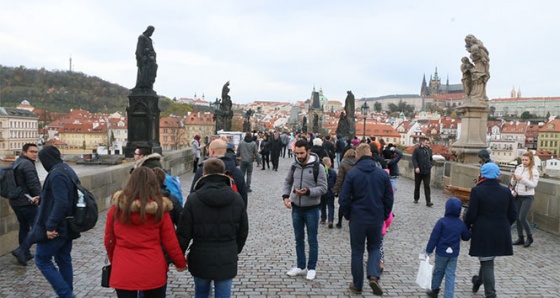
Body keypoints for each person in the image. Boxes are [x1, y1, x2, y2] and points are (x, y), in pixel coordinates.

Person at [104, 167, 186, 298]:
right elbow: (170, 241)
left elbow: (109, 240)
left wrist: (116, 260)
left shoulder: (116, 209)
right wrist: (180, 262)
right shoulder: (159, 211)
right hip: (153, 267)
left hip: (124, 267)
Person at [177, 158, 249, 298]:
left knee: (201, 294)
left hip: (200, 256)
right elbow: (243, 230)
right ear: (224, 173)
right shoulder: (236, 198)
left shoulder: (193, 199)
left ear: (204, 173)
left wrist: (178, 255)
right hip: (227, 255)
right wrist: (235, 249)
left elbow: (183, 232)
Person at [338, 144, 393, 296]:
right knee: (374, 248)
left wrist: (348, 215)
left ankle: (357, 285)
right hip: (376, 217)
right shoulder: (382, 174)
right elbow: (389, 198)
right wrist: (384, 214)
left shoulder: (353, 173)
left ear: (357, 156)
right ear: (370, 154)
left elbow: (344, 199)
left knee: (357, 251)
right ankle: (374, 275)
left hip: (358, 218)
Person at [28, 146, 81, 297]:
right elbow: (64, 197)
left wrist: (50, 226)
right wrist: (43, 199)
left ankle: (66, 295)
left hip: (58, 227)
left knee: (41, 259)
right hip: (68, 225)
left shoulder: (57, 174)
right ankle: (67, 293)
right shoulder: (67, 169)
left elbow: (61, 203)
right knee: (63, 259)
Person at [465, 163, 517, 298]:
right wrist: (504, 225)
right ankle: (478, 280)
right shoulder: (506, 191)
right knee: (487, 259)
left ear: (482, 174)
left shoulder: (477, 190)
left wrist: (466, 227)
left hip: (483, 231)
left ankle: (491, 294)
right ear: (498, 175)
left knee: (487, 262)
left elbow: (471, 214)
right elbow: (513, 214)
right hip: (501, 231)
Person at [282, 139, 328, 281]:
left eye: (302, 153)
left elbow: (323, 187)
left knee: (312, 239)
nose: (299, 156)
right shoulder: (294, 165)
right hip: (296, 207)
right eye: (297, 153)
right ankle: (301, 265)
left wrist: (308, 192)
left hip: (312, 209)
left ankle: (311, 267)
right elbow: (288, 181)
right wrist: (285, 196)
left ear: (308, 151)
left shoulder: (318, 167)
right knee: (298, 239)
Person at [425, 198, 471, 298]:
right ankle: (449, 295)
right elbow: (466, 237)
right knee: (451, 275)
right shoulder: (460, 223)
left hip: (441, 253)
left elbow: (434, 237)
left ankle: (434, 290)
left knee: (438, 271)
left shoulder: (442, 222)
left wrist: (428, 251)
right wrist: (470, 229)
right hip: (453, 254)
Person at [190, 139, 247, 206]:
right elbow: (243, 200)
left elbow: (192, 196)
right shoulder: (238, 173)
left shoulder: (202, 171)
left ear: (212, 151)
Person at [10, 143, 41, 266]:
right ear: (24, 152)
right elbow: (33, 184)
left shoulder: (16, 162)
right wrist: (40, 197)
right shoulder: (27, 164)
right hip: (27, 201)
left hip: (16, 201)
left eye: (36, 152)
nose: (35, 154)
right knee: (37, 227)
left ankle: (25, 252)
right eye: (32, 152)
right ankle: (21, 250)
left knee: (24, 227)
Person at [510, 151, 539, 247]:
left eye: (526, 160)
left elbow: (533, 185)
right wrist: (514, 178)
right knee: (517, 218)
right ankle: (520, 238)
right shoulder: (518, 168)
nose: (524, 162)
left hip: (527, 196)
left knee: (522, 217)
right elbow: (513, 183)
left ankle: (529, 237)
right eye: (523, 160)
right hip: (518, 195)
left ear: (531, 160)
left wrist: (522, 178)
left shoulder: (534, 171)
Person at [332, 149, 356, 229]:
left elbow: (340, 178)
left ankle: (339, 222)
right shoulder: (358, 163)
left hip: (345, 187)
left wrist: (336, 190)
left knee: (342, 205)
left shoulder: (343, 164)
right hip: (356, 188)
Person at [412, 137, 433, 206]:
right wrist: (416, 167)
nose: (427, 144)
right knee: (417, 185)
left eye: (428, 143)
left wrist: (430, 165)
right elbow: (414, 159)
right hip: (419, 171)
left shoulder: (429, 150)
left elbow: (431, 159)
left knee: (427, 186)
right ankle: (416, 198)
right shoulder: (417, 150)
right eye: (426, 143)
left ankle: (428, 201)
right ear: (422, 142)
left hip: (427, 171)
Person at [319, 157, 337, 228]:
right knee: (331, 206)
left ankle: (323, 218)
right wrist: (335, 190)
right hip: (330, 191)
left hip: (323, 192)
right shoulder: (333, 172)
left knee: (323, 206)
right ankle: (330, 220)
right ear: (330, 164)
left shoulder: (321, 171)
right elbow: (336, 181)